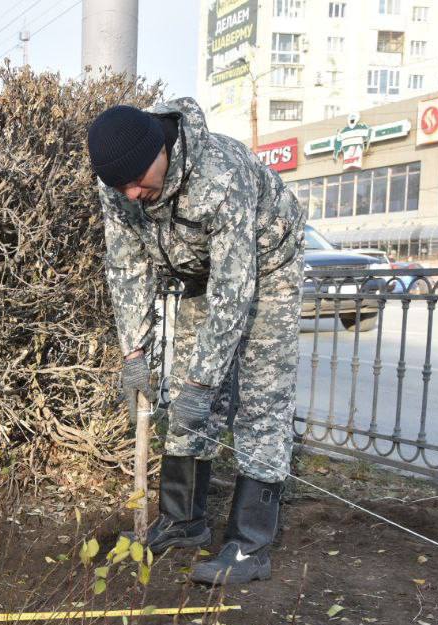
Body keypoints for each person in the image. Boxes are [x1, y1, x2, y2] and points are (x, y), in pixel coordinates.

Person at [87, 98, 306, 585]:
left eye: (138, 180)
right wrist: (133, 352)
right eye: (119, 186)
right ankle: (183, 520)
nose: (132, 193)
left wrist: (204, 384)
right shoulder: (122, 190)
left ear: (160, 150)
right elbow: (126, 267)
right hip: (198, 274)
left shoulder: (220, 175)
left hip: (267, 268)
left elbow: (234, 285)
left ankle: (250, 545)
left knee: (259, 398)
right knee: (186, 386)